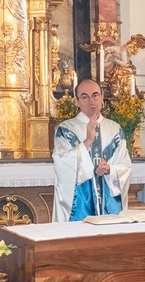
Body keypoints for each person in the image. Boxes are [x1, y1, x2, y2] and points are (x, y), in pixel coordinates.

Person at [52, 78, 132, 222]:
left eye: (95, 95)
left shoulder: (115, 129)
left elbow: (125, 166)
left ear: (102, 97)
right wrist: (87, 142)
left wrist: (110, 170)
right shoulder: (66, 130)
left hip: (109, 204)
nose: (91, 101)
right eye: (85, 97)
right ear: (76, 101)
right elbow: (62, 164)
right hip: (80, 204)